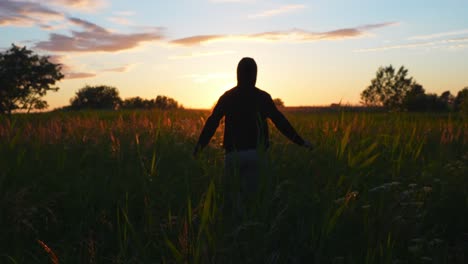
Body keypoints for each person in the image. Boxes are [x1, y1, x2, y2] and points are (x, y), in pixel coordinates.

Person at [193, 57, 313, 210]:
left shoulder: (227, 97)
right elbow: (280, 122)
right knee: (254, 203)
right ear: (255, 75)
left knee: (233, 203)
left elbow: (212, 122)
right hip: (257, 155)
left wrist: (199, 147)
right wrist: (301, 142)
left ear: (237, 74)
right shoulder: (263, 97)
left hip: (233, 156)